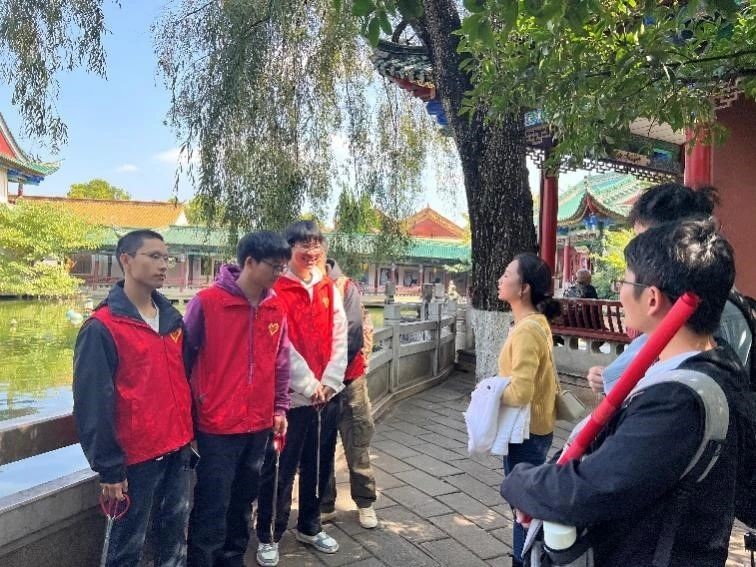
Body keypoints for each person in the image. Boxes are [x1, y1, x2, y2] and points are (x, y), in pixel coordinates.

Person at [501, 218, 746, 566]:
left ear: (652, 299)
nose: (620, 292)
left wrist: (520, 484)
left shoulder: (679, 400)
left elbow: (594, 488)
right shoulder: (719, 367)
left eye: (624, 281)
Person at [73, 230, 194, 567]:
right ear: (126, 260)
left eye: (166, 258)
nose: (163, 265)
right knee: (126, 549)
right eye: (153, 256)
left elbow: (182, 380)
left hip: (178, 449)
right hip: (135, 461)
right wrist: (110, 469)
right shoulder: (102, 327)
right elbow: (92, 405)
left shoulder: (172, 320)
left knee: (174, 540)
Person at [184, 231, 293, 567]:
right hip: (216, 425)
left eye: (283, 267)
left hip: (258, 424)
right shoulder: (207, 303)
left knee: (244, 502)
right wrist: (190, 416)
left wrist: (280, 407)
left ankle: (233, 560)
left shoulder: (275, 307)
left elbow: (281, 363)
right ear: (249, 262)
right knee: (212, 504)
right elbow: (183, 360)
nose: (280, 274)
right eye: (274, 266)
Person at [587, 182, 752, 394]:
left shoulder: (703, 317)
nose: (638, 252)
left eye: (645, 242)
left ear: (681, 240)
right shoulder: (700, 304)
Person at [255, 221, 347, 567]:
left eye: (316, 244)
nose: (311, 252)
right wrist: (309, 384)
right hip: (291, 398)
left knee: (319, 464)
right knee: (280, 468)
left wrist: (331, 380)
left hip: (327, 395)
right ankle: (269, 533)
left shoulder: (327, 286)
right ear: (289, 247)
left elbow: (340, 334)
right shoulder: (276, 288)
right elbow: (281, 344)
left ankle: (310, 524)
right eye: (303, 245)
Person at [495, 252, 562, 567]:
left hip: (525, 432)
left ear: (523, 288)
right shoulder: (535, 322)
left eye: (507, 274)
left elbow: (521, 391)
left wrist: (488, 395)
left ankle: (525, 561)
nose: (501, 279)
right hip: (536, 428)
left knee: (523, 509)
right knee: (526, 506)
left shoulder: (526, 330)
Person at [319, 257, 378, 529]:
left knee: (357, 441)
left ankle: (365, 501)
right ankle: (325, 504)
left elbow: (353, 334)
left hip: (349, 378)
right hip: (317, 384)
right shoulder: (305, 288)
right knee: (321, 445)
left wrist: (332, 374)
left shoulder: (345, 287)